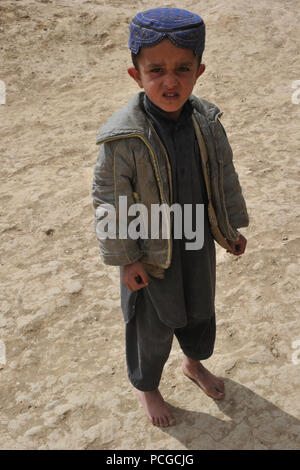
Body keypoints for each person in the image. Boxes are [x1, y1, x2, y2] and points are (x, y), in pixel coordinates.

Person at [91, 7, 249, 428]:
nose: (170, 80)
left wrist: (230, 227)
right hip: (150, 248)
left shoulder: (208, 121)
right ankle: (148, 387)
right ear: (135, 75)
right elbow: (109, 199)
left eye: (183, 68)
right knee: (152, 323)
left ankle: (193, 364)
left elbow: (223, 174)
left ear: (199, 70)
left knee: (200, 306)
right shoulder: (123, 136)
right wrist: (126, 258)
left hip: (196, 235)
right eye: (155, 69)